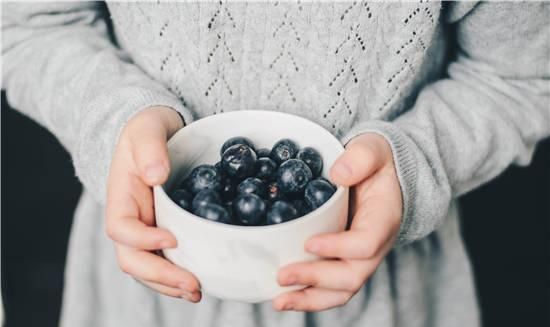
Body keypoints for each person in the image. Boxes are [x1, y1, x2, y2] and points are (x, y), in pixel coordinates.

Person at [2, 2, 549, 327]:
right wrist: (114, 122)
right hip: (145, 296)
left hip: (384, 300)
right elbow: (33, 24)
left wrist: (421, 161)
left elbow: (523, 76)